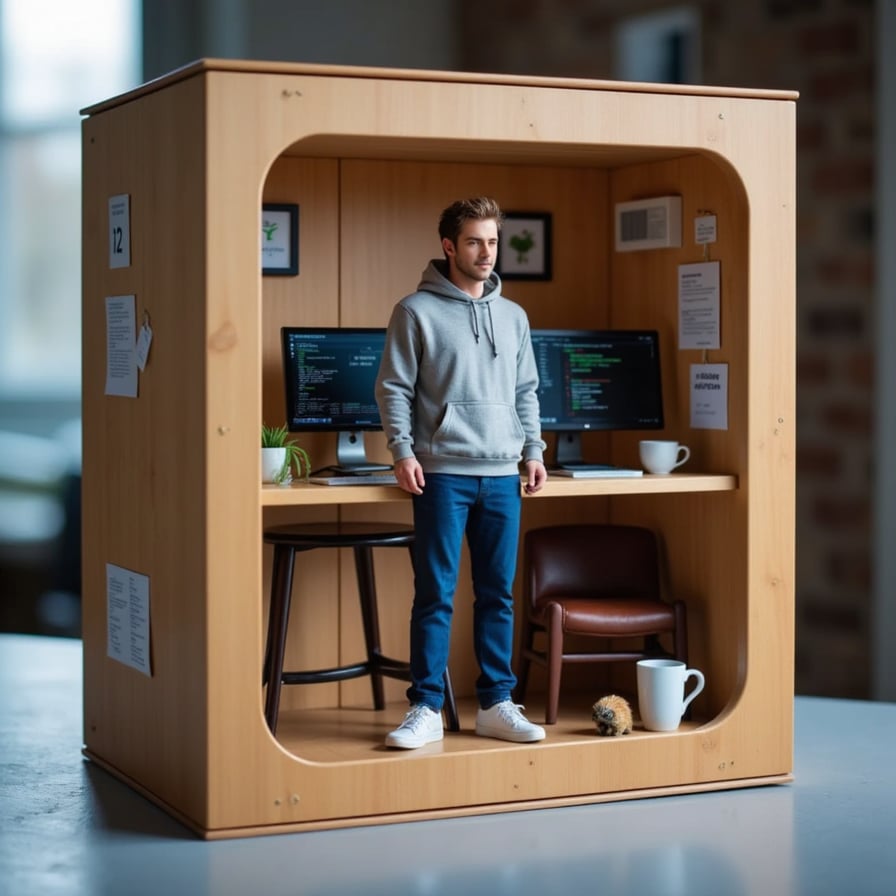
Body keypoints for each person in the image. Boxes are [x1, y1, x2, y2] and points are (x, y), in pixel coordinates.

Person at [375, 196, 548, 749]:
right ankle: (424, 707)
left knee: (498, 594)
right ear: (449, 246)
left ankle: (497, 703)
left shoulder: (514, 316)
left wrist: (535, 450)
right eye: (474, 241)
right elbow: (394, 388)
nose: (486, 252)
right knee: (436, 593)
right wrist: (403, 450)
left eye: (493, 241)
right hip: (442, 473)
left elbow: (526, 392)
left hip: (504, 474)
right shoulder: (415, 312)